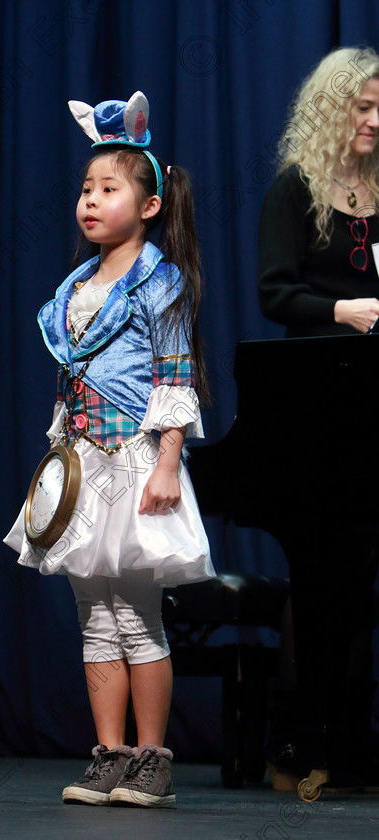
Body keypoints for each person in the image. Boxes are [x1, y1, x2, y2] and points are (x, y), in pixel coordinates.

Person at [5, 91, 214, 808]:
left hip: (137, 456)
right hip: (82, 463)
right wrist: (58, 466)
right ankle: (109, 754)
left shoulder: (159, 282)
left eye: (109, 188)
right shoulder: (74, 288)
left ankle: (152, 758)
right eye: (86, 189)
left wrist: (166, 463)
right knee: (93, 614)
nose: (91, 201)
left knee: (137, 615)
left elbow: (176, 375)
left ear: (149, 204)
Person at [258, 46, 379, 792]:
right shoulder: (295, 189)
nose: (372, 120)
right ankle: (298, 742)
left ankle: (353, 743)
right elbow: (275, 294)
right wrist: (343, 309)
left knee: (360, 580)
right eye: (361, 106)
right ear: (331, 108)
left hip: (375, 407)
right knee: (319, 577)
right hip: (315, 407)